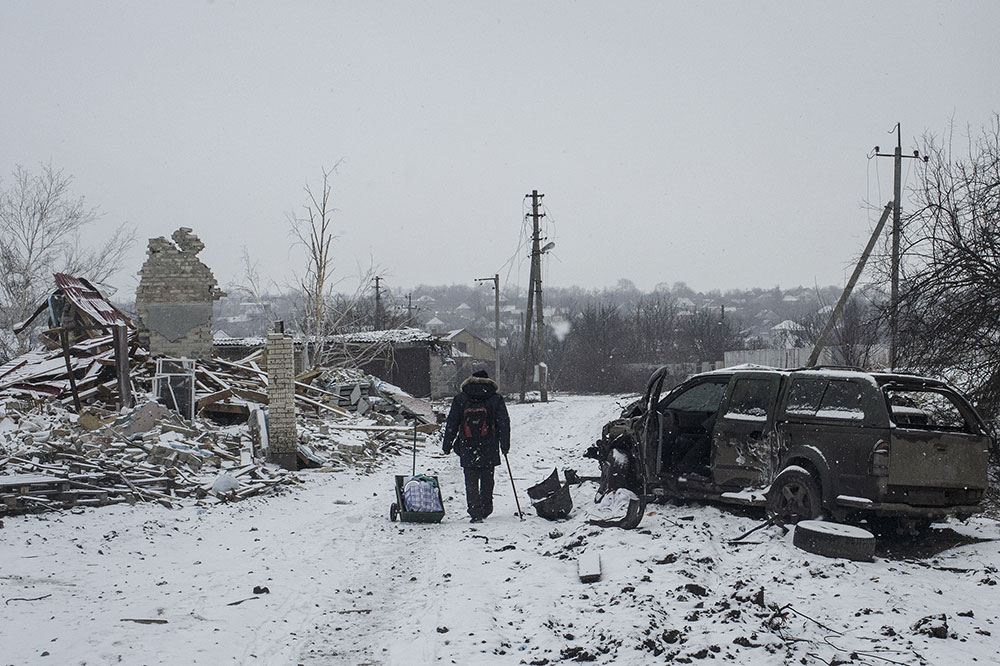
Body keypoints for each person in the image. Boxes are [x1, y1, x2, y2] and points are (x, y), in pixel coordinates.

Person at [442, 369, 511, 523]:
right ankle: (486, 507)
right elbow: (503, 423)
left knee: (471, 479)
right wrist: (504, 445)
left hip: (467, 444)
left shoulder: (461, 398)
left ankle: (475, 511)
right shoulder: (495, 398)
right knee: (487, 477)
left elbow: (452, 423)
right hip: (489, 443)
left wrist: (447, 445)